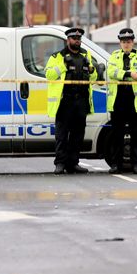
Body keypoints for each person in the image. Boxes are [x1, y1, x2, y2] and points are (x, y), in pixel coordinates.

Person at [45, 27, 97, 175]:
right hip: (64, 102)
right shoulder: (57, 57)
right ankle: (60, 163)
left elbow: (92, 78)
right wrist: (63, 66)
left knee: (78, 135)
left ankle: (73, 163)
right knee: (62, 135)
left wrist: (92, 70)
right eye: (74, 38)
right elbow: (49, 75)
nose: (77, 41)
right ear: (68, 40)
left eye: (79, 39)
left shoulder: (86, 56)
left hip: (81, 101)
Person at [106, 28, 137, 174]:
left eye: (128, 42)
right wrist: (128, 73)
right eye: (123, 42)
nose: (126, 44)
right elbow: (111, 72)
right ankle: (116, 164)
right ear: (120, 43)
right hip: (118, 100)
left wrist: (121, 74)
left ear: (133, 42)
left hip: (134, 100)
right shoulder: (114, 56)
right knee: (117, 134)